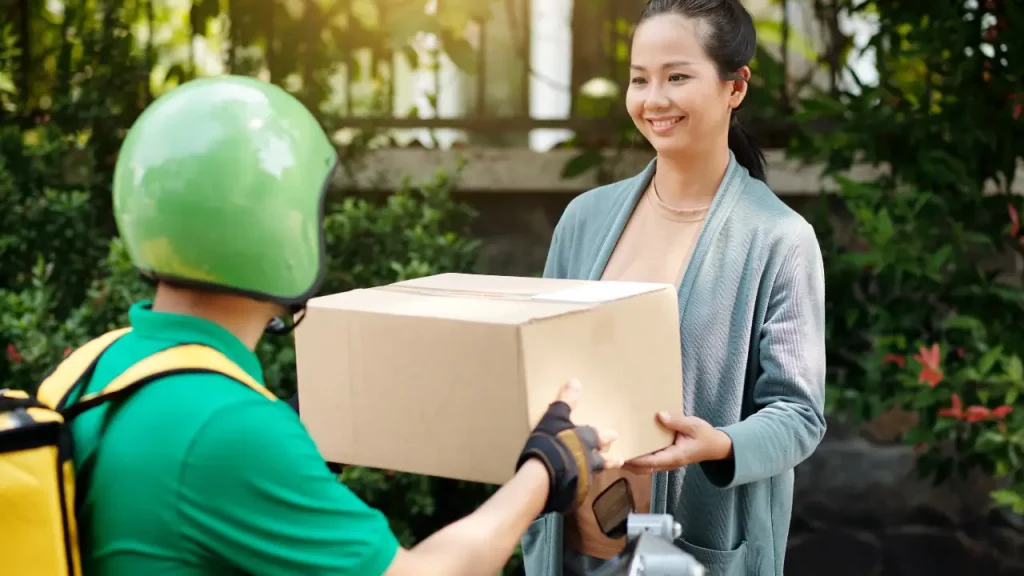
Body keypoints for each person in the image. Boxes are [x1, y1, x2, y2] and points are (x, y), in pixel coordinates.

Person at [66, 74, 622, 576]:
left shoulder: (100, 364)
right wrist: (544, 471)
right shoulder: (228, 429)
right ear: (277, 231)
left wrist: (310, 437)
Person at [521, 1, 827, 575]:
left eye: (677, 76)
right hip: (574, 546)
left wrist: (718, 444)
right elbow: (541, 365)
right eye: (640, 79)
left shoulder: (780, 239)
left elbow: (798, 415)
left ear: (735, 87)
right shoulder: (584, 219)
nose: (653, 99)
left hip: (692, 553)